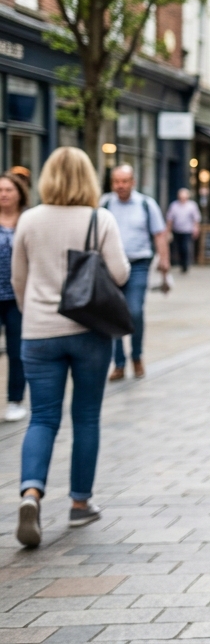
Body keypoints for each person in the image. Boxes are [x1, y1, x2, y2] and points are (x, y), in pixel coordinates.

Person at [12, 147, 131, 546]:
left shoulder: (29, 220)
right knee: (86, 417)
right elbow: (118, 273)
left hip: (38, 333)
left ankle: (31, 493)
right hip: (88, 331)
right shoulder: (101, 219)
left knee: (42, 417)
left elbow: (18, 279)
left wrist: (35, 311)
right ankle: (80, 504)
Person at [101, 165, 169, 381]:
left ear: (133, 182)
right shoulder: (104, 204)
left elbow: (159, 234)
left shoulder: (146, 205)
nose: (120, 186)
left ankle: (137, 355)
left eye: (124, 181)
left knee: (134, 311)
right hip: (110, 266)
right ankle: (119, 363)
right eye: (116, 182)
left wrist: (164, 259)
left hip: (138, 264)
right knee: (113, 314)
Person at [0, 173, 28, 422]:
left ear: (19, 192)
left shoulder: (28, 220)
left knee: (17, 350)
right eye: (0, 190)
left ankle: (15, 400)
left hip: (19, 296)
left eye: (9, 189)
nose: (4, 194)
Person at [164, 188, 201, 273]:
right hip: (176, 230)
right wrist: (168, 231)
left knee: (185, 247)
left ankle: (185, 265)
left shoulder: (192, 206)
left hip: (187, 230)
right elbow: (170, 219)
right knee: (176, 248)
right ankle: (176, 263)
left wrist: (196, 229)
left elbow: (196, 219)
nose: (183, 199)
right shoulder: (174, 205)